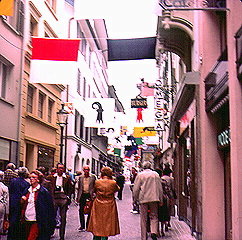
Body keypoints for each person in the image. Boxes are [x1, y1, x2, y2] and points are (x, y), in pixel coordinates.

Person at [87, 167, 120, 240]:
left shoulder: (97, 182)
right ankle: (104, 238)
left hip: (98, 203)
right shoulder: (113, 182)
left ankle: (96, 238)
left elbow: (94, 190)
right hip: (109, 204)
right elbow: (117, 189)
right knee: (107, 223)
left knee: (97, 222)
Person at [21, 170, 55, 240]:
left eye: (33, 177)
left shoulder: (43, 191)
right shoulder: (27, 190)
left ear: (38, 179)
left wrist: (49, 221)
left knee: (31, 237)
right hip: (26, 219)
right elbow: (22, 204)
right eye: (30, 177)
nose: (31, 179)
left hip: (37, 219)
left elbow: (49, 207)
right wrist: (22, 200)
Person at [133, 161, 163, 240]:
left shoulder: (140, 175)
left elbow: (136, 189)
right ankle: (154, 232)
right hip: (154, 198)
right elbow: (160, 188)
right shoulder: (156, 175)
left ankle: (144, 237)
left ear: (143, 167)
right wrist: (161, 199)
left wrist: (134, 199)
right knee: (154, 216)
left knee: (143, 218)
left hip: (143, 198)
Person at [46, 163, 72, 240]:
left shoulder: (67, 178)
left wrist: (68, 197)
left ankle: (62, 236)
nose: (61, 169)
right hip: (54, 197)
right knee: (52, 216)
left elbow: (70, 188)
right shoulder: (51, 177)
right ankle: (50, 232)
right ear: (56, 169)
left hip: (63, 197)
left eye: (62, 168)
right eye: (59, 168)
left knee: (63, 218)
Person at [8, 167, 30, 240]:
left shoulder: (13, 181)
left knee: (12, 220)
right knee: (18, 220)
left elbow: (10, 190)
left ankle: (10, 236)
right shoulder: (26, 183)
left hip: (12, 202)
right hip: (20, 203)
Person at [76, 165, 96, 231]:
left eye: (87, 169)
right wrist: (77, 197)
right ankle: (82, 225)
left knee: (90, 211)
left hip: (89, 195)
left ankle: (88, 225)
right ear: (83, 170)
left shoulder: (93, 177)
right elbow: (79, 188)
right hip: (82, 195)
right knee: (81, 210)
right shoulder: (81, 177)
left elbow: (94, 186)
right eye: (85, 169)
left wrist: (93, 194)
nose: (86, 171)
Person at [0, 171, 9, 237]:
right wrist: (7, 213)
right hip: (1, 206)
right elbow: (6, 201)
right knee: (1, 220)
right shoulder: (5, 187)